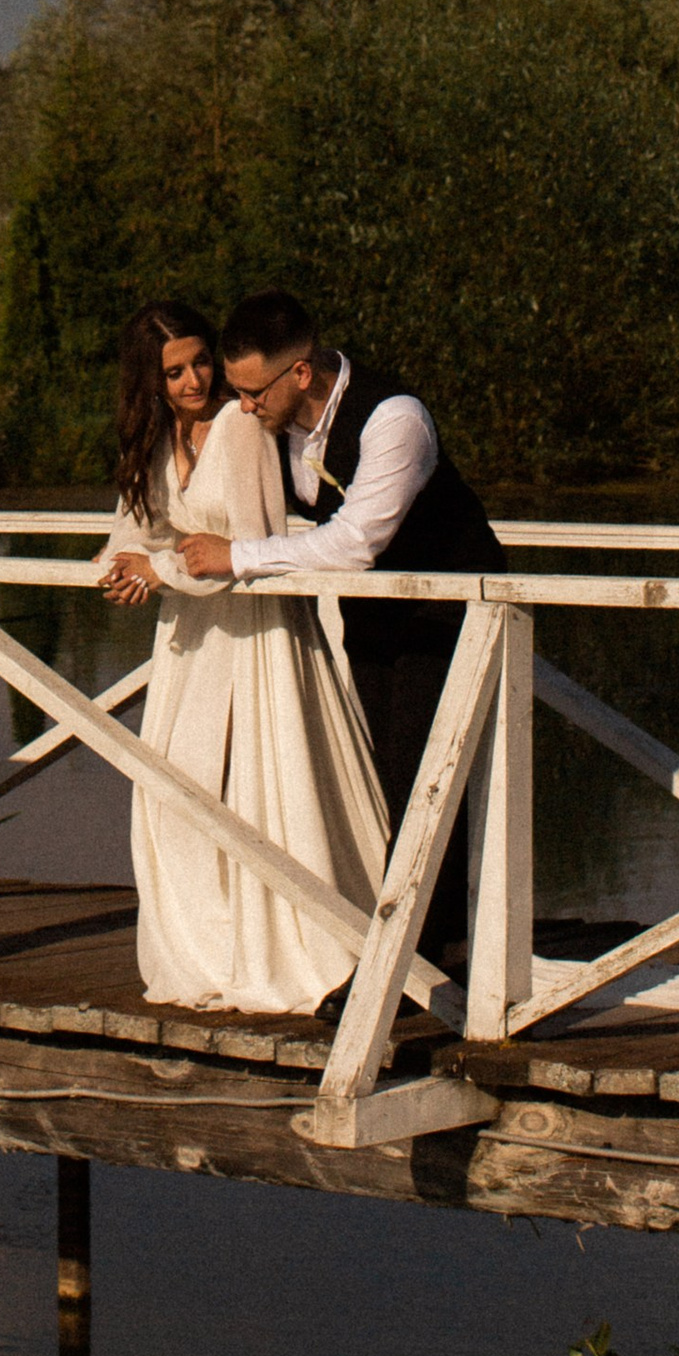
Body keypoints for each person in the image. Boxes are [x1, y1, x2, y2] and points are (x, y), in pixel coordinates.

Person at [177, 287, 504, 971]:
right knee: (389, 782)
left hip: (449, 614)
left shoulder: (394, 419)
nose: (243, 406)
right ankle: (424, 952)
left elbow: (356, 541)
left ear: (301, 373)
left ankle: (413, 963)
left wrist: (235, 559)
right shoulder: (279, 422)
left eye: (253, 392)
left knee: (426, 785)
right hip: (376, 622)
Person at [95, 297, 390, 1015]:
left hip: (260, 640)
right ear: (151, 383)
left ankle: (291, 945)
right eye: (175, 373)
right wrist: (125, 562)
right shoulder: (156, 442)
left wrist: (159, 570)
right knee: (175, 798)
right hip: (191, 649)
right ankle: (204, 947)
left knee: (269, 795)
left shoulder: (242, 426)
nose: (195, 382)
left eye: (200, 363)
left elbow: (251, 549)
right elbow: (132, 530)